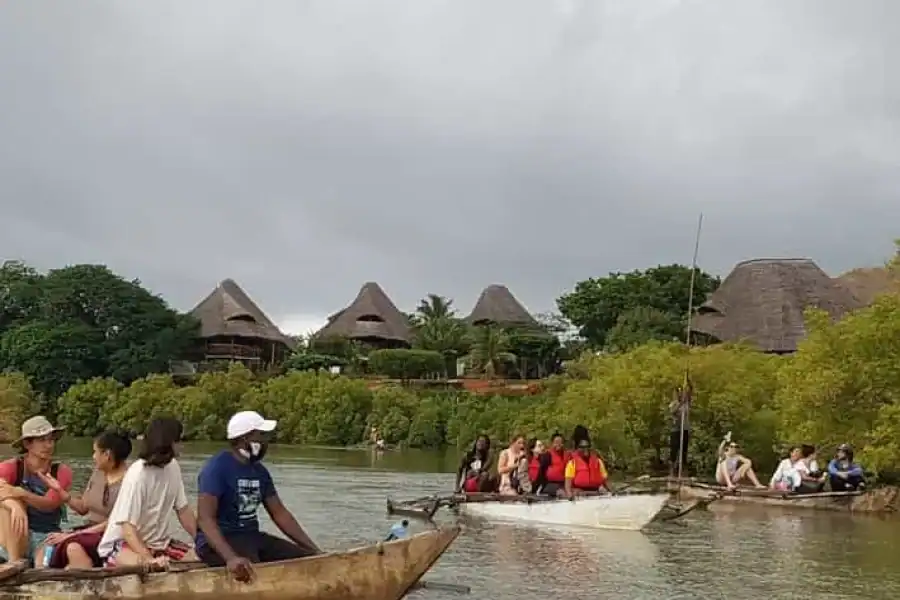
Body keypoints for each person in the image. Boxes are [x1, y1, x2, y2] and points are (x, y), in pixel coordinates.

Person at [196, 411, 321, 582]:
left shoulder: (260, 472)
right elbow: (205, 519)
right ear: (246, 439)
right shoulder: (217, 469)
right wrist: (230, 558)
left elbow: (280, 514)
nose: (265, 441)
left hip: (250, 536)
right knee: (252, 571)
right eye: (260, 435)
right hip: (218, 542)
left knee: (304, 560)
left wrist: (314, 551)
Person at [98, 417, 198, 567]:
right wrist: (148, 558)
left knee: (201, 557)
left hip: (159, 544)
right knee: (147, 566)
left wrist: (202, 540)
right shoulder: (138, 474)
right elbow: (127, 528)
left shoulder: (173, 467)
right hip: (122, 543)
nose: (182, 445)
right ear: (169, 442)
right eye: (179, 441)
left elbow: (183, 510)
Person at [39, 431, 132, 568]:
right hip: (89, 529)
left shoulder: (130, 480)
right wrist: (59, 490)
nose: (93, 457)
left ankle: (86, 579)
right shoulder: (98, 473)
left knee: (73, 547)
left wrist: (73, 535)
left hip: (111, 535)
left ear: (107, 455)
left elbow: (114, 523)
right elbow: (83, 507)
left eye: (95, 452)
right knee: (47, 545)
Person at [0, 416, 72, 566]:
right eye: (42, 440)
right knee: (8, 503)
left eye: (51, 440)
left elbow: (50, 504)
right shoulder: (12, 467)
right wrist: (14, 505)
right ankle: (14, 563)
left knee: (43, 565)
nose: (48, 445)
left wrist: (22, 493)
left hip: (47, 536)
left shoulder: (61, 471)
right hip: (15, 536)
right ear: (27, 444)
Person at [564, 426, 611, 497]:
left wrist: (611, 490)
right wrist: (569, 494)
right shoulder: (572, 463)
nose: (585, 449)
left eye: (587, 446)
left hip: (595, 490)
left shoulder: (598, 461)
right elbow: (568, 483)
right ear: (578, 448)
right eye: (582, 447)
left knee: (603, 491)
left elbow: (605, 479)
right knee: (578, 492)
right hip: (579, 491)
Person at [534, 432, 570, 497]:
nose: (558, 444)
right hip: (549, 484)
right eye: (556, 442)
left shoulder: (567, 455)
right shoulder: (547, 455)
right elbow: (540, 473)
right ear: (552, 443)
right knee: (562, 493)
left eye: (560, 442)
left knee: (573, 492)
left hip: (563, 484)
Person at [669, 381, 692, 476]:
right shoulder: (673, 404)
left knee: (684, 451)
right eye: (678, 392)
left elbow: (690, 392)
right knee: (674, 450)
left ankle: (683, 471)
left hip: (685, 429)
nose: (680, 394)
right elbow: (673, 412)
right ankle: (671, 471)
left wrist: (689, 383)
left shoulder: (686, 403)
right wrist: (680, 404)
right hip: (676, 430)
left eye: (681, 392)